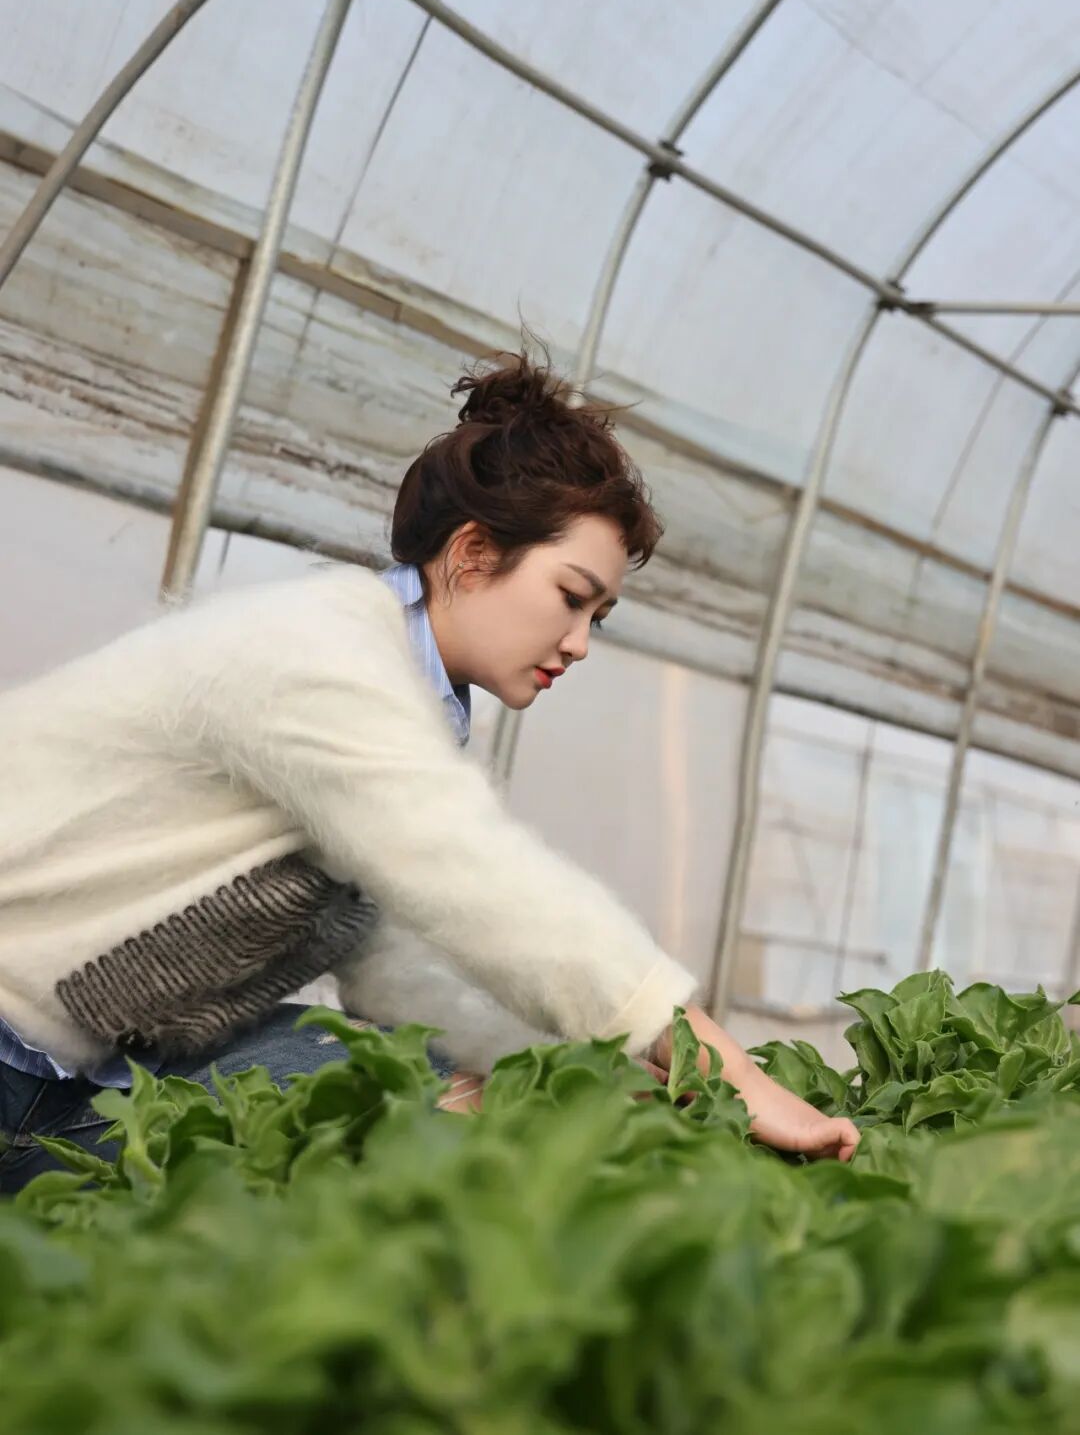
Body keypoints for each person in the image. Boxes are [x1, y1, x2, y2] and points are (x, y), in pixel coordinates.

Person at [0, 354, 858, 1190]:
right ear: (474, 553)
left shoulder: (416, 704)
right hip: (16, 1059)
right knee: (406, 1101)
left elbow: (390, 963)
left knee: (439, 1082)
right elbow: (473, 874)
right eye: (571, 596)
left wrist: (571, 1069)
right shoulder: (318, 650)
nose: (579, 643)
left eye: (598, 615)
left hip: (85, 1075)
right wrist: (719, 1062)